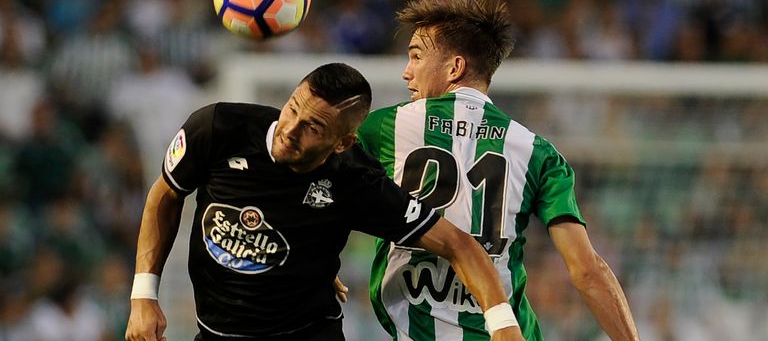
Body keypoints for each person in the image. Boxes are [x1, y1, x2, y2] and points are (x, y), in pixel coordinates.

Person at [124, 63, 525, 341]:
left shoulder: (354, 181)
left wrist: (503, 323)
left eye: (313, 127)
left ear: (343, 143)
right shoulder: (217, 127)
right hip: (215, 333)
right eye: (293, 108)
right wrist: (144, 293)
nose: (290, 130)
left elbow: (457, 243)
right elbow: (166, 193)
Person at [354, 0, 640, 340]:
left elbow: (321, 189)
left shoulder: (384, 128)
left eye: (416, 56)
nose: (406, 71)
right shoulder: (537, 152)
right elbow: (586, 270)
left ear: (454, 67)